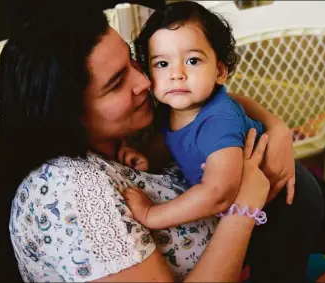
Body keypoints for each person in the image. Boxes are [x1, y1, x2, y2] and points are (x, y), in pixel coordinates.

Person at [0, 6, 325, 283]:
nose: (144, 82)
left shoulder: (129, 130)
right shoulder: (67, 190)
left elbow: (223, 104)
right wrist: (244, 205)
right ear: (65, 112)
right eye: (116, 82)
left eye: (135, 63)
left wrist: (277, 129)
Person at [120, 0, 297, 231]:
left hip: (285, 204)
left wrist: (151, 214)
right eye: (162, 63)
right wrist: (148, 159)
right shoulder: (170, 109)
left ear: (220, 71)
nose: (177, 74)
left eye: (192, 61)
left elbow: (219, 194)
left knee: (279, 265)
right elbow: (176, 143)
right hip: (253, 207)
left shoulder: (218, 122)